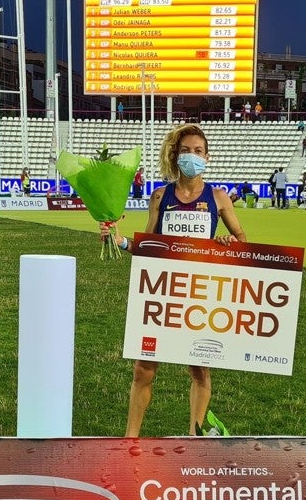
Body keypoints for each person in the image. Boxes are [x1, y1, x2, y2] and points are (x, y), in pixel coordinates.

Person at [101, 124, 247, 437]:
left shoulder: (219, 197)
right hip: (163, 292)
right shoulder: (160, 196)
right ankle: (130, 440)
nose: (191, 156)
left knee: (199, 369)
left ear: (207, 156)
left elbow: (242, 241)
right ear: (175, 155)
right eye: (185, 151)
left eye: (198, 151)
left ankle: (195, 437)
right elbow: (148, 245)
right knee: (143, 370)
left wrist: (227, 242)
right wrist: (121, 240)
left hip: (199, 293)